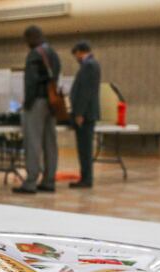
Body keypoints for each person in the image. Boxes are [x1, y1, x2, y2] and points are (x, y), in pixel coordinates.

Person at [13, 25, 61, 195]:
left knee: (33, 142)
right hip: (52, 102)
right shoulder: (53, 53)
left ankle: (31, 181)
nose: (26, 44)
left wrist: (27, 104)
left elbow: (31, 81)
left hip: (37, 102)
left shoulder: (34, 54)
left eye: (27, 40)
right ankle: (49, 180)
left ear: (31, 37)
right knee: (50, 142)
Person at [69, 41, 100, 188]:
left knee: (85, 149)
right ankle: (85, 178)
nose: (76, 58)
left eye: (76, 55)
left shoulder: (89, 65)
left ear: (81, 52)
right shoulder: (90, 65)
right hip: (87, 114)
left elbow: (85, 92)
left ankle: (86, 179)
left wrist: (79, 113)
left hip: (85, 115)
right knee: (84, 148)